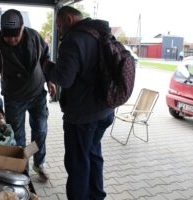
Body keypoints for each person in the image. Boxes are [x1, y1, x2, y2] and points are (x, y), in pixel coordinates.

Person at [43, 6, 114, 200]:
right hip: (105, 111)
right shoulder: (100, 33)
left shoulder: (74, 39)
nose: (59, 30)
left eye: (59, 25)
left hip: (83, 116)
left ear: (69, 18)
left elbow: (64, 79)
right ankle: (96, 196)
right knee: (93, 155)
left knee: (78, 163)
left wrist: (47, 66)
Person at [0, 9, 56, 182]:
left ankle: (39, 162)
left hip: (38, 95)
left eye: (16, 35)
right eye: (8, 36)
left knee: (40, 132)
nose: (12, 40)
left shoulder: (34, 37)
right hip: (15, 99)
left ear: (22, 28)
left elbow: (45, 57)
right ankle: (23, 170)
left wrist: (50, 79)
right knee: (18, 139)